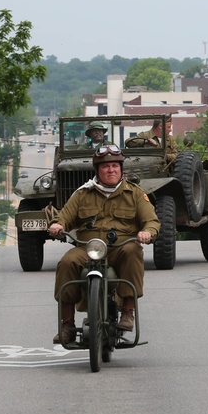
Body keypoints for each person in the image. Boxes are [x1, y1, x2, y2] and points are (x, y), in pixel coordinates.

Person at [47, 146, 161, 344]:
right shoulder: (82, 193)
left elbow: (152, 220)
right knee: (67, 262)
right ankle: (66, 325)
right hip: (87, 248)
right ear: (97, 170)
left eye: (115, 165)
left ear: (121, 168)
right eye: (106, 166)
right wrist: (58, 225)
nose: (111, 170)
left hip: (120, 247)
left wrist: (147, 233)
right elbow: (64, 215)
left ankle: (127, 312)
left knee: (133, 251)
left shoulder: (134, 193)